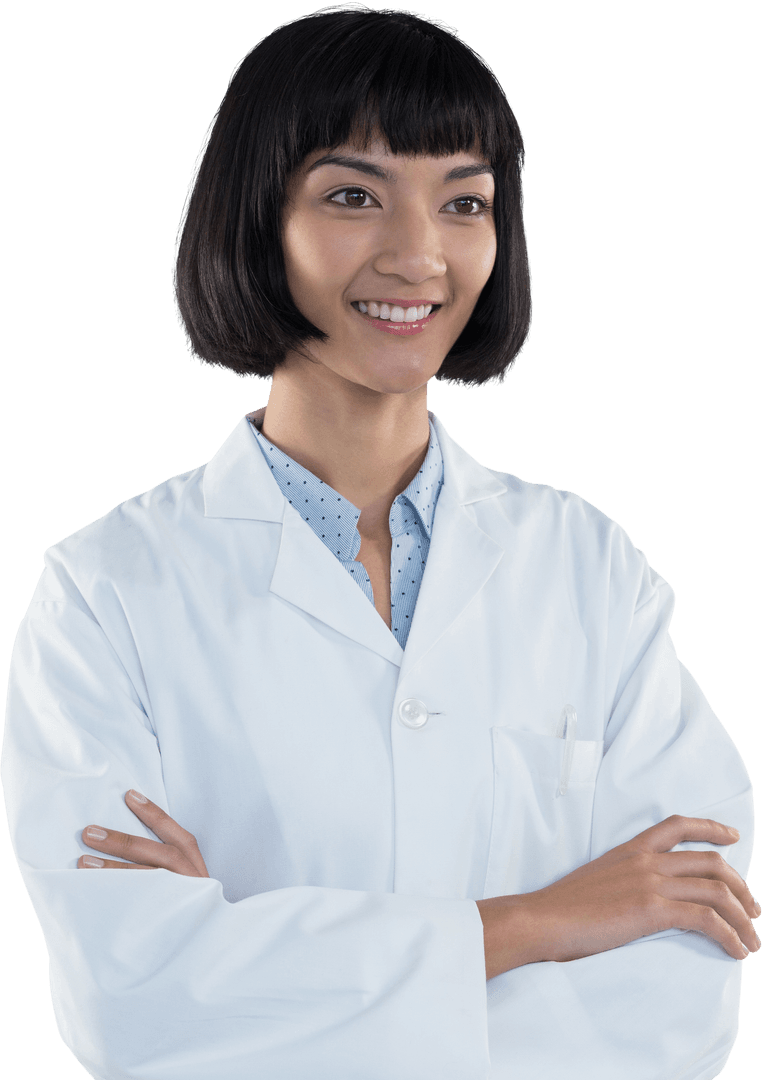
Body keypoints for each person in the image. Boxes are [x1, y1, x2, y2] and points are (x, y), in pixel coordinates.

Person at [2, 5, 757, 1078]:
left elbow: (680, 981)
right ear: (256, 218)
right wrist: (542, 920)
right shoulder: (105, 594)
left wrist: (259, 961)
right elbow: (132, 1003)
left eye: (465, 202)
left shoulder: (591, 571)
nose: (418, 254)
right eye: (353, 195)